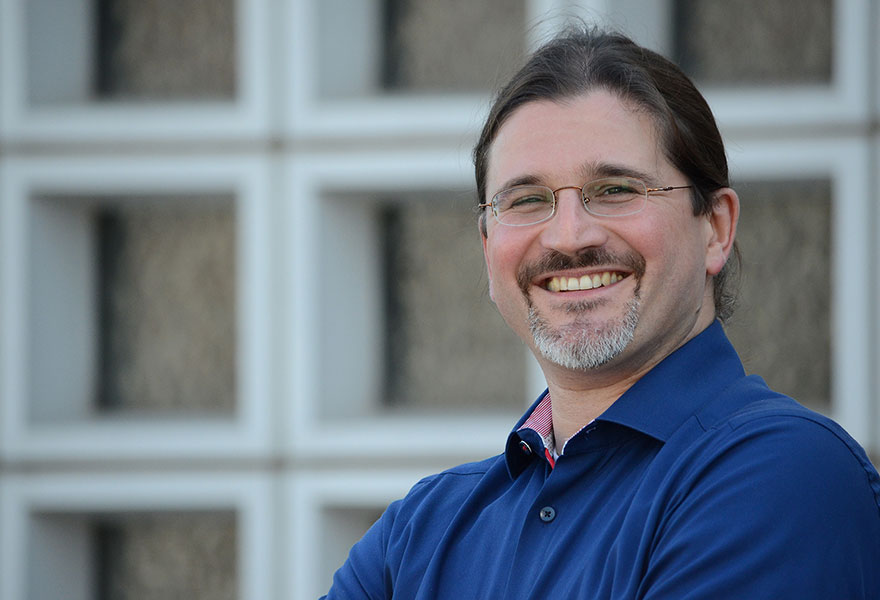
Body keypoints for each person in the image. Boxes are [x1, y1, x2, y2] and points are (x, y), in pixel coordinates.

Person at [323, 26, 880, 599]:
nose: (569, 237)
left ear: (715, 228)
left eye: (615, 190)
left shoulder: (782, 474)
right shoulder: (420, 531)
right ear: (488, 248)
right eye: (527, 200)